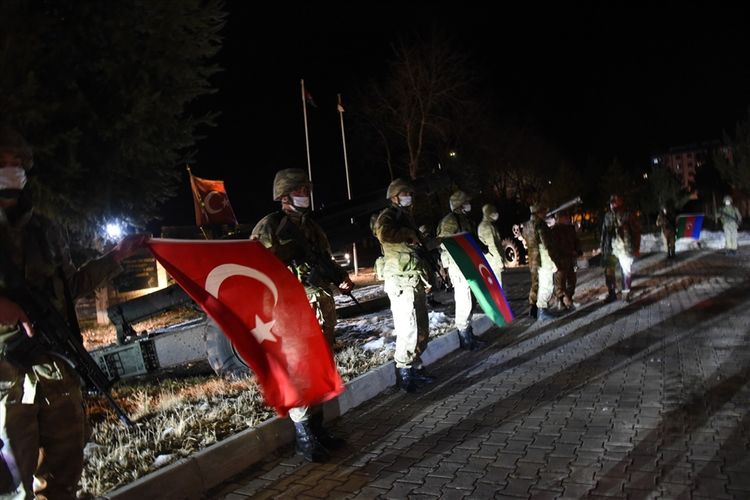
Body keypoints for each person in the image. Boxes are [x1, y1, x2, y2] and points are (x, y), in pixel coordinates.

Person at [0, 126, 148, 498]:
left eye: (17, 163)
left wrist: (116, 256)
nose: (11, 170)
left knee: (64, 469)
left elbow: (70, 286)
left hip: (53, 365)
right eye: (2, 162)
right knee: (10, 482)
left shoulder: (45, 230)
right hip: (5, 376)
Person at [250, 168, 353, 463]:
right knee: (301, 372)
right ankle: (305, 437)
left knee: (318, 369)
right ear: (284, 196)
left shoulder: (312, 227)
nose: (305, 195)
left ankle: (318, 429)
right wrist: (290, 262)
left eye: (307, 190)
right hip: (292, 311)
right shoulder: (270, 226)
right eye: (299, 191)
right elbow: (257, 269)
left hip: (319, 306)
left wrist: (340, 277)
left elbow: (324, 259)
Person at [373, 178, 435, 393]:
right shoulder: (388, 216)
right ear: (394, 197)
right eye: (404, 193)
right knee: (408, 328)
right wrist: (409, 234)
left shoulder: (407, 216)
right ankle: (404, 371)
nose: (409, 196)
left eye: (410, 193)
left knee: (422, 328)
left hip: (414, 279)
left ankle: (415, 366)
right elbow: (384, 234)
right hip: (400, 281)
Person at [436, 190, 485, 349]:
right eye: (465, 202)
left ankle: (468, 332)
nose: (468, 205)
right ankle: (465, 337)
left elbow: (470, 238)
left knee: (471, 299)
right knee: (464, 299)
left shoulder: (465, 219)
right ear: (459, 205)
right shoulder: (449, 222)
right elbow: (446, 243)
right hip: (458, 266)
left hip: (468, 263)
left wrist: (480, 247)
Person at [523, 204, 562, 321]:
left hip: (533, 259)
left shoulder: (527, 225)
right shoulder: (540, 224)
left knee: (536, 283)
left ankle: (533, 309)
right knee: (546, 285)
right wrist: (554, 261)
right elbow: (547, 244)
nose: (545, 213)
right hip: (543, 259)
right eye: (543, 211)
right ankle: (542, 311)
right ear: (538, 212)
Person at [600, 194, 640, 302]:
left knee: (626, 271)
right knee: (609, 271)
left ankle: (626, 293)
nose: (613, 204)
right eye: (611, 202)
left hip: (624, 248)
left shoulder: (628, 214)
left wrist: (636, 248)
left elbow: (636, 232)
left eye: (615, 201)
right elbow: (604, 233)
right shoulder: (607, 216)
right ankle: (612, 293)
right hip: (610, 248)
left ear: (621, 202)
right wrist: (602, 247)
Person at [551, 210, 582, 310]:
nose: (567, 219)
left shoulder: (570, 228)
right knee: (560, 283)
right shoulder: (554, 230)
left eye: (567, 217)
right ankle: (561, 302)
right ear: (559, 218)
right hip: (561, 260)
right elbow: (556, 247)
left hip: (571, 259)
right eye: (564, 217)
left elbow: (576, 240)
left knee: (572, 280)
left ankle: (569, 298)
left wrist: (578, 250)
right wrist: (569, 252)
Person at [477, 204, 505, 288]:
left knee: (495, 285)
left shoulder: (489, 225)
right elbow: (491, 246)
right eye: (493, 213)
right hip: (492, 261)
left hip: (491, 260)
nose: (495, 214)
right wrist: (499, 261)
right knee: (496, 286)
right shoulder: (486, 227)